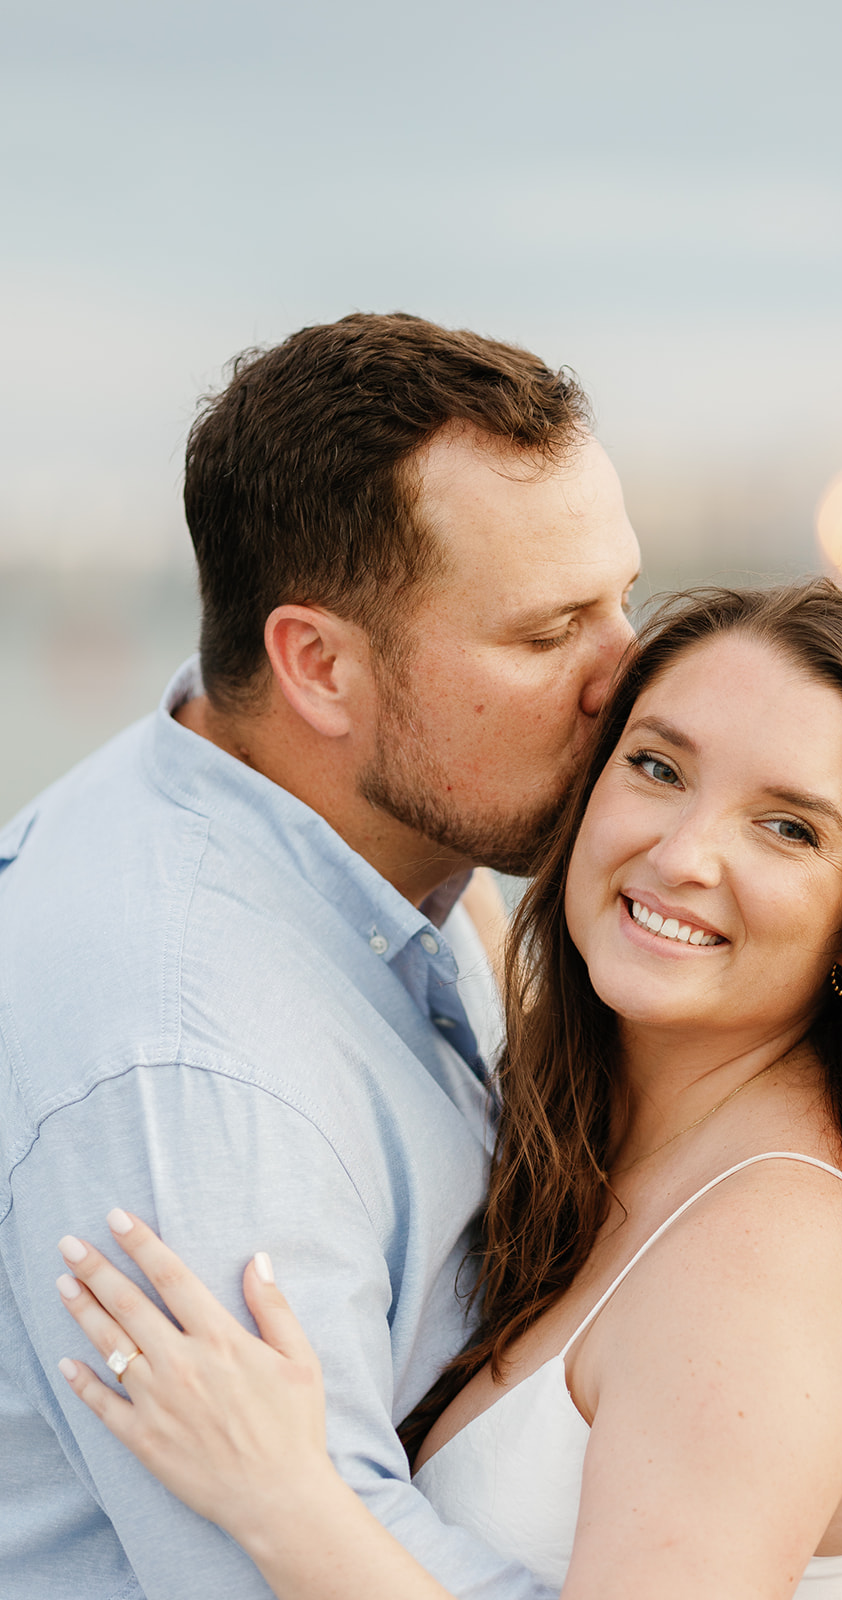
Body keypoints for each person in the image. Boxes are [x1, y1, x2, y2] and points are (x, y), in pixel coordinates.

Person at [54, 582, 842, 1600]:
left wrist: (283, 1503)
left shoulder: (773, 1262)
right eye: (657, 767)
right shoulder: (606, 1116)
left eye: (786, 828)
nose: (681, 855)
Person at [0, 312, 640, 1599]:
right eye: (545, 632)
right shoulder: (196, 1073)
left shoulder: (363, 854)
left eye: (624, 599)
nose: (628, 677)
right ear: (317, 666)